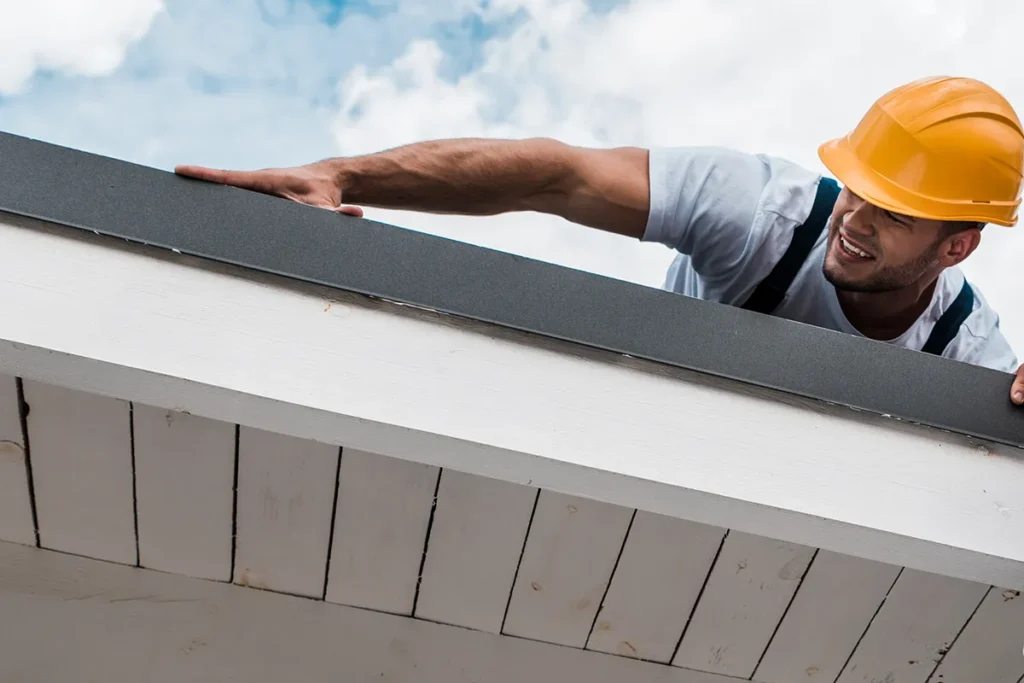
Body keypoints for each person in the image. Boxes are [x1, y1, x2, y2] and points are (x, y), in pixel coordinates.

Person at [175, 75, 1024, 406]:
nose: (856, 220)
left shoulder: (969, 349)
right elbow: (558, 173)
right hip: (660, 410)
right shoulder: (762, 210)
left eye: (896, 215)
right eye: (860, 191)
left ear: (957, 249)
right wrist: (342, 177)